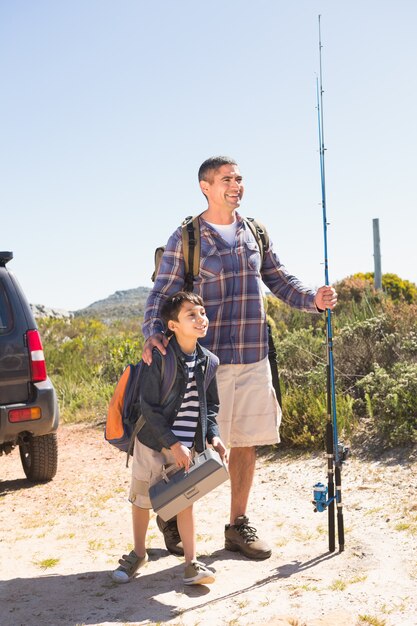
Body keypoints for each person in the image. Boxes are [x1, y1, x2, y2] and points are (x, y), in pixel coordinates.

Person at [142, 156, 337, 561]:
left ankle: (237, 524)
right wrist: (153, 334)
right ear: (205, 187)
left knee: (245, 443)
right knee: (194, 445)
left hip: (252, 353)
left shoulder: (254, 233)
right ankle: (175, 514)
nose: (236, 185)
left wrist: (313, 300)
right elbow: (162, 294)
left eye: (239, 178)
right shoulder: (188, 238)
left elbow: (279, 279)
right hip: (202, 361)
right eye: (226, 179)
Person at [112, 291, 227, 585]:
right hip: (152, 441)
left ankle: (191, 563)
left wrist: (213, 436)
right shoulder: (159, 357)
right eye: (191, 314)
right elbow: (148, 407)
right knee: (141, 500)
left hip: (185, 449)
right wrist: (172, 444)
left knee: (184, 502)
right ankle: (138, 554)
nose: (201, 318)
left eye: (202, 313)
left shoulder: (209, 361)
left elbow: (209, 406)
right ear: (172, 325)